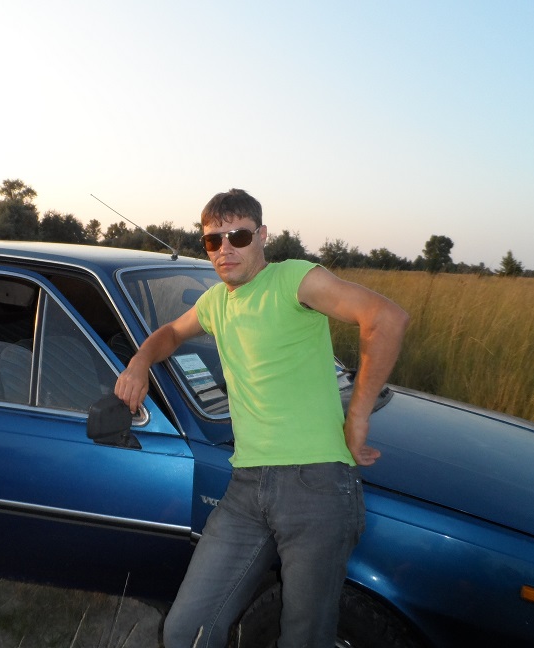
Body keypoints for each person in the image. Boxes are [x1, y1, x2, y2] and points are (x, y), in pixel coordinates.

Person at [114, 188, 409, 648]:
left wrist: (357, 415)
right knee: (185, 629)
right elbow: (170, 332)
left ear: (262, 236)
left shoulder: (294, 279)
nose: (225, 249)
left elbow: (386, 319)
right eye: (213, 241)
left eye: (238, 236)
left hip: (316, 485)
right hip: (247, 487)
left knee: (303, 637)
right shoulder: (216, 302)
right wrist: (139, 363)